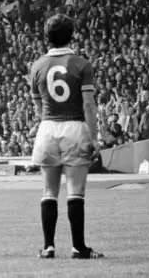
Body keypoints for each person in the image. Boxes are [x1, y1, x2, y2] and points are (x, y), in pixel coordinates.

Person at [30, 14, 104, 259]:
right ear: (71, 35)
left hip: (48, 127)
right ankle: (78, 247)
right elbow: (89, 105)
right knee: (75, 191)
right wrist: (94, 138)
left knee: (49, 191)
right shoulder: (82, 64)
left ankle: (48, 247)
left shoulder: (38, 65)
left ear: (47, 37)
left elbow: (38, 105)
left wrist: (47, 121)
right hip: (74, 127)